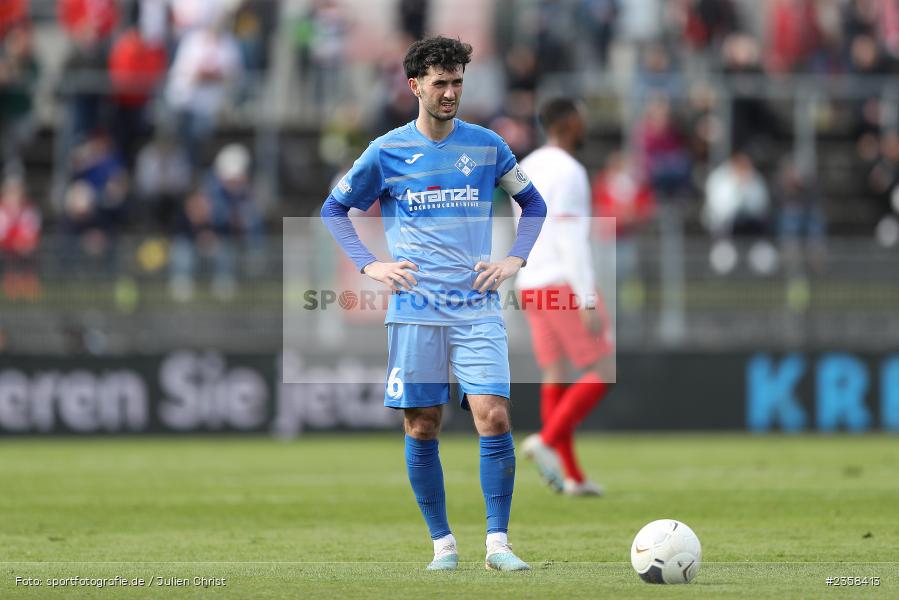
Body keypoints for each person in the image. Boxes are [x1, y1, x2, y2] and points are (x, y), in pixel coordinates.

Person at [320, 36, 547, 571]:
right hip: (416, 309)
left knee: (493, 416)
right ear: (414, 85)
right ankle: (443, 544)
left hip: (476, 307)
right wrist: (369, 263)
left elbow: (532, 204)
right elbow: (335, 209)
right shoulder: (387, 150)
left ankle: (498, 545)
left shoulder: (487, 146)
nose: (450, 92)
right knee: (423, 424)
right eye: (440, 82)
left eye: (457, 82)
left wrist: (515, 258)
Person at [514, 98, 613, 497]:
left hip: (529, 280)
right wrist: (587, 297)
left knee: (556, 373)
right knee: (603, 367)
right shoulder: (570, 171)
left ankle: (571, 476)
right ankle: (547, 441)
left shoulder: (529, 164)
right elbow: (571, 236)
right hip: (560, 278)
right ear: (570, 123)